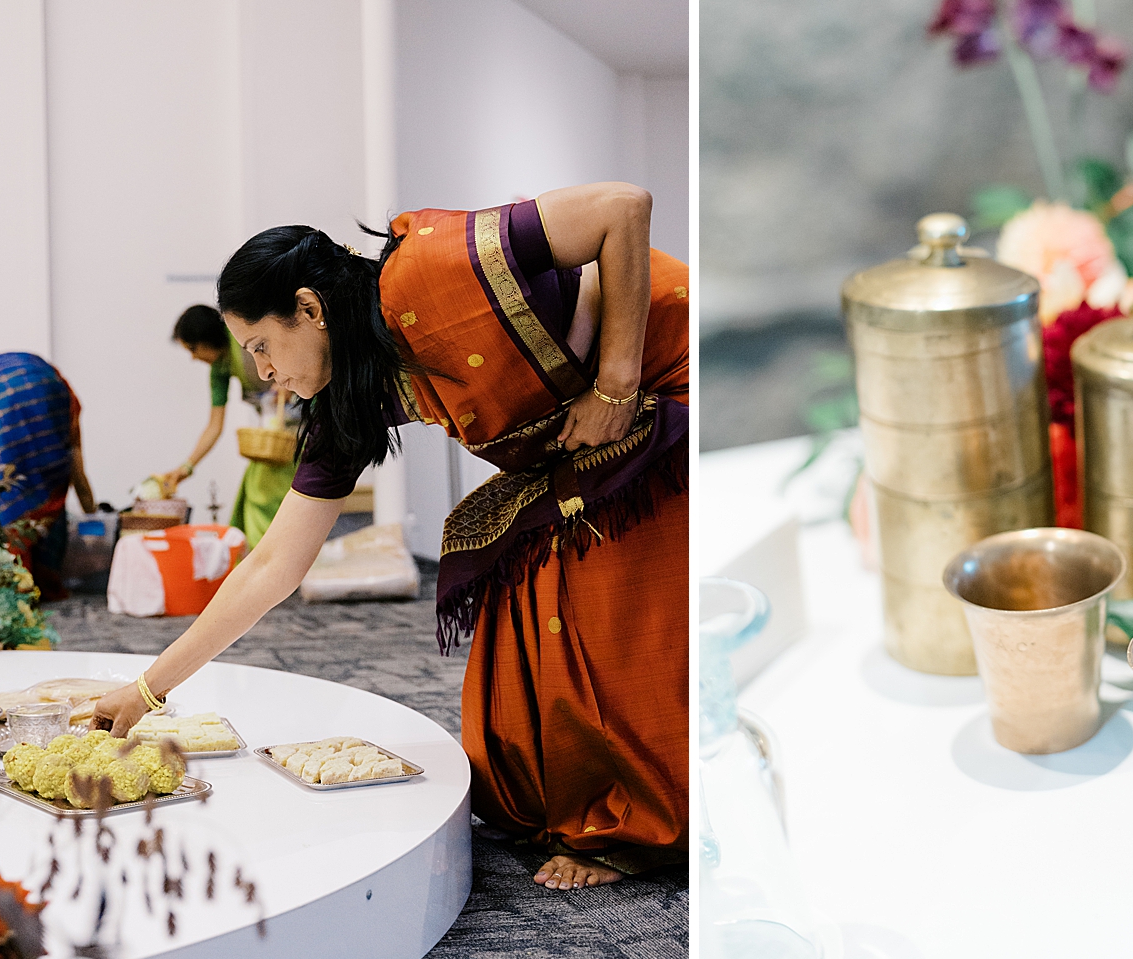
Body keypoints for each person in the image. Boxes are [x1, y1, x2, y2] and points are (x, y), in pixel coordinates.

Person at [93, 184, 688, 892]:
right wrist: (146, 689)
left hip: (665, 376)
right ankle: (581, 803)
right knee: (521, 636)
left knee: (602, 595)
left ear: (309, 309)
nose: (264, 373)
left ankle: (640, 829)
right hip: (582, 442)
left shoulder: (430, 272)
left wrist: (616, 382)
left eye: (262, 345)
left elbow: (623, 206)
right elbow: (275, 564)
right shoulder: (349, 402)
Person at [0, 352, 97, 601]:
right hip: (35, 389)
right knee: (44, 489)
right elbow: (73, 456)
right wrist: (91, 510)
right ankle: (36, 583)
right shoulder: (60, 395)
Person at [156, 306, 296, 547]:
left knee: (262, 498)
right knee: (248, 497)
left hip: (302, 428)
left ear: (206, 339)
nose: (193, 357)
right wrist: (186, 468)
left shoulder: (244, 338)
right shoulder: (219, 368)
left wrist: (289, 378)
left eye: (192, 349)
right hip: (277, 435)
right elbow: (214, 425)